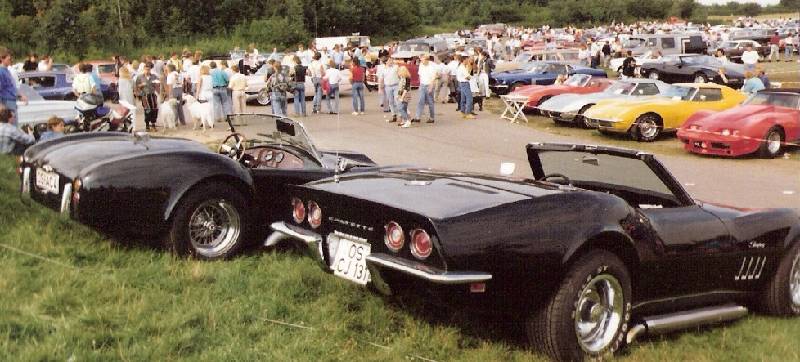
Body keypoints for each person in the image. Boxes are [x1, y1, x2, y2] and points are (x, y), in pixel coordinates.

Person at [0, 48, 26, 125]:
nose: (10, 59)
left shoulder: (6, 70)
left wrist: (19, 95)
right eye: (8, 57)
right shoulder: (1, 72)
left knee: (13, 126)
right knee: (11, 127)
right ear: (2, 58)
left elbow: (10, 87)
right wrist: (1, 105)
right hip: (6, 102)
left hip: (11, 102)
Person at [135, 62, 160, 131]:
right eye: (146, 69)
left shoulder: (154, 76)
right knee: (147, 110)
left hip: (153, 95)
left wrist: (156, 85)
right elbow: (136, 86)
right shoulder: (140, 77)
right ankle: (147, 125)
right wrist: (141, 85)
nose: (147, 71)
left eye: (148, 69)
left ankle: (153, 124)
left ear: (150, 69)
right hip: (144, 95)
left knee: (154, 109)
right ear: (144, 69)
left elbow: (158, 85)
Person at [413, 54, 437, 123]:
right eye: (421, 60)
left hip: (429, 84)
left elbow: (433, 77)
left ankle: (432, 118)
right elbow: (420, 75)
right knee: (420, 101)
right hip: (422, 85)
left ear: (427, 60)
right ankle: (417, 117)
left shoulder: (432, 66)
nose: (421, 61)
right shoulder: (421, 65)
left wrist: (431, 87)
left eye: (422, 60)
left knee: (430, 102)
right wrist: (420, 84)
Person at [382, 58, 400, 122]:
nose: (391, 61)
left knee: (397, 100)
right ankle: (394, 115)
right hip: (388, 87)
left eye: (391, 60)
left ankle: (401, 115)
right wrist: (380, 87)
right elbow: (381, 78)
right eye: (389, 60)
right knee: (391, 102)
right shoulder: (383, 69)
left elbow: (400, 75)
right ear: (386, 62)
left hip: (396, 86)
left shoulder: (396, 67)